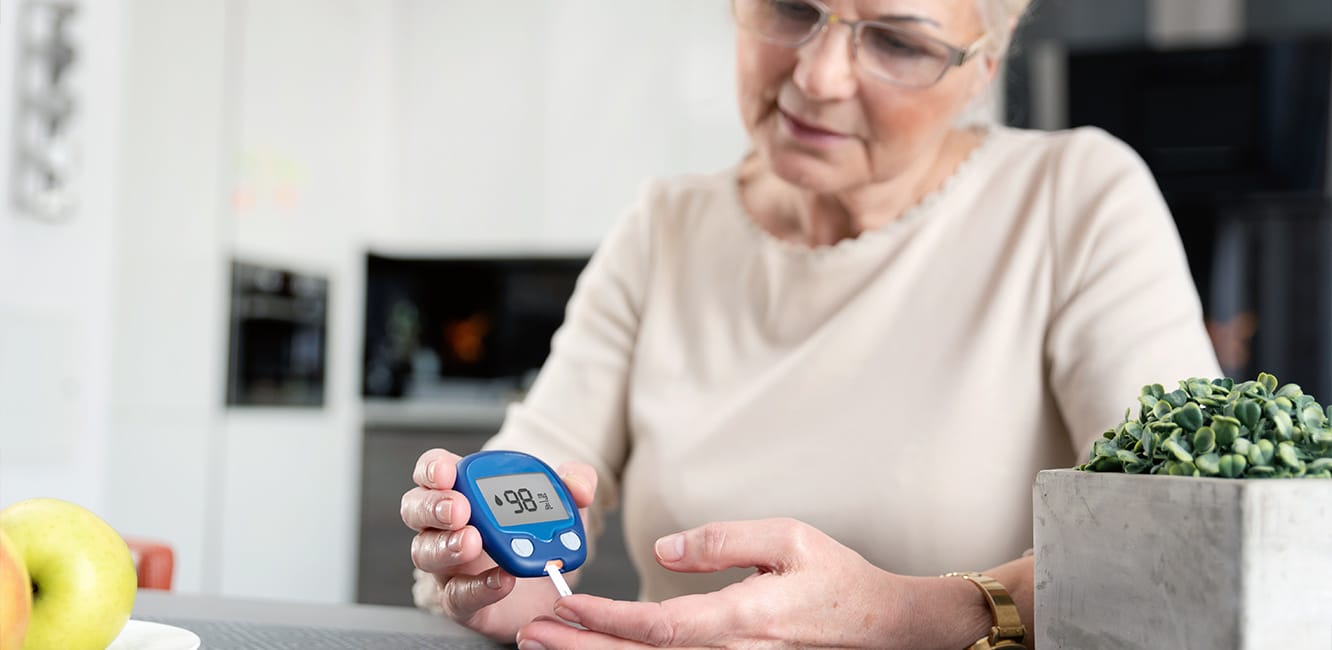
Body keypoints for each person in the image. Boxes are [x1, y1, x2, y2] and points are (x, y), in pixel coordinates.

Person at [400, 0, 1222, 647]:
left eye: (898, 42)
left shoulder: (1077, 199)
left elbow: (1187, 546)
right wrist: (484, 572)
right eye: (792, 7)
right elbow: (535, 469)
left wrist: (908, 617)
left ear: (984, 69)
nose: (820, 75)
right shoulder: (664, 228)